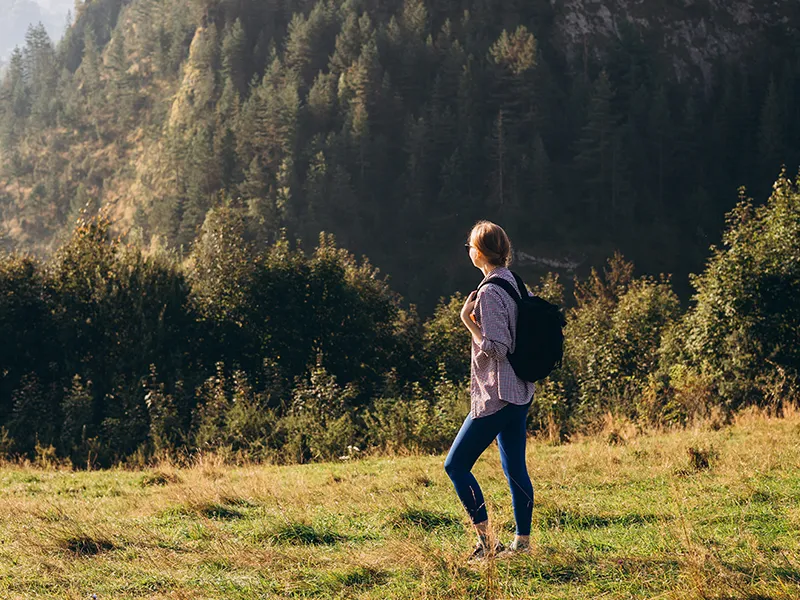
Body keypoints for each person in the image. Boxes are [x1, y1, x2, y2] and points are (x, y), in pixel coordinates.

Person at [444, 220, 536, 561]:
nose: (468, 250)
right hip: (520, 391)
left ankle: (487, 544)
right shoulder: (515, 282)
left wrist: (468, 322)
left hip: (498, 394)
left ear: (480, 253)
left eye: (470, 245)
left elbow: (497, 346)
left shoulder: (489, 293)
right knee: (515, 469)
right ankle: (522, 544)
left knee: (456, 465)